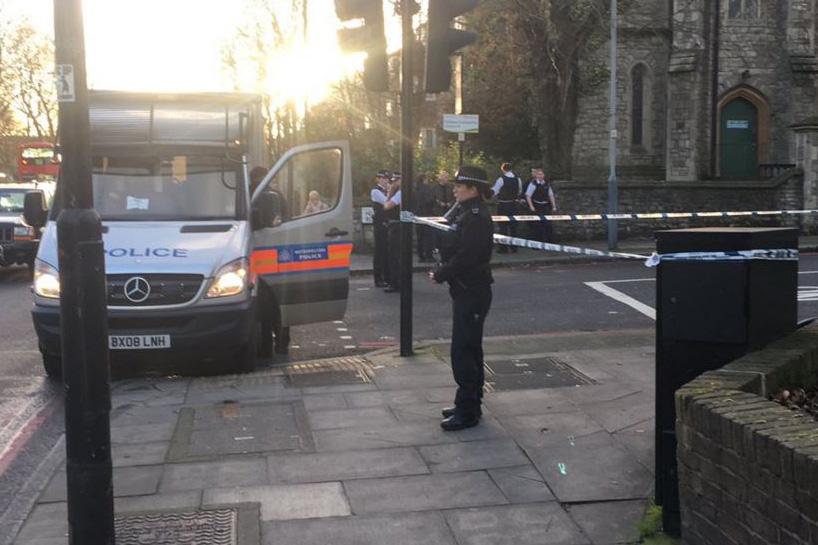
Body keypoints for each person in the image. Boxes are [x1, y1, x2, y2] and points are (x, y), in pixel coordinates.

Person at [429, 165, 494, 431]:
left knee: (463, 351)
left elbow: (468, 255)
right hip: (468, 289)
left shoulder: (476, 217)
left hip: (472, 290)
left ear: (473, 189)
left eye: (460, 185)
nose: (454, 188)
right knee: (470, 349)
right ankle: (470, 402)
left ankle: (467, 412)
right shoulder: (467, 212)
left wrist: (441, 273)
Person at [249, 165, 290, 358]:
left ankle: (266, 347)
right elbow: (287, 219)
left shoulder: (251, 195)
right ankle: (282, 342)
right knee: (279, 303)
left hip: (256, 255)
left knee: (264, 306)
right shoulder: (277, 195)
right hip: (279, 253)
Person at [491, 162, 523, 253]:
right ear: (511, 169)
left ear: (503, 169)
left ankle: (503, 248)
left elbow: (495, 191)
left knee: (503, 227)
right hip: (514, 205)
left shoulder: (501, 179)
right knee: (514, 227)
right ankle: (514, 248)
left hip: (503, 205)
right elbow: (519, 191)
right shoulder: (518, 179)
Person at [525, 168, 557, 243]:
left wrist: (554, 206)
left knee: (548, 225)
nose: (540, 176)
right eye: (538, 174)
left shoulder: (547, 184)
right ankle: (538, 243)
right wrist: (531, 206)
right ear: (536, 175)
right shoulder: (533, 184)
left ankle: (549, 243)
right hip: (537, 206)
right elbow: (528, 196)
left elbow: (551, 195)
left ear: (544, 175)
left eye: (541, 174)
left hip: (545, 206)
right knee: (537, 225)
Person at [370, 170, 391, 287]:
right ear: (377, 179)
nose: (385, 180)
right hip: (379, 224)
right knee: (379, 251)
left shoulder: (386, 190)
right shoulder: (375, 191)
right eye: (383, 178)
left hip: (387, 223)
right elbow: (387, 202)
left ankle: (387, 276)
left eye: (387, 178)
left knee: (387, 251)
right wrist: (390, 190)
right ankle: (378, 278)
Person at [383, 173, 402, 293]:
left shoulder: (400, 193)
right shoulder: (401, 192)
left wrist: (389, 193)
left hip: (396, 226)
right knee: (396, 256)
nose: (393, 183)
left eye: (395, 181)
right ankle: (397, 281)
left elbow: (387, 206)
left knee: (395, 256)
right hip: (397, 225)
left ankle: (396, 283)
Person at [414, 173, 436, 262]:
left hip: (417, 215)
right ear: (424, 179)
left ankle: (420, 256)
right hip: (427, 214)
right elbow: (430, 200)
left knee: (419, 236)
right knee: (428, 236)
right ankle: (429, 256)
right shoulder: (427, 189)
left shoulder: (414, 189)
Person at [432, 170, 454, 255]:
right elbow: (432, 198)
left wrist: (450, 203)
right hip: (438, 213)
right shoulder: (434, 188)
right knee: (438, 231)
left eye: (447, 177)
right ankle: (437, 248)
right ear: (440, 178)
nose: (446, 179)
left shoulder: (451, 187)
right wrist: (439, 203)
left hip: (449, 213)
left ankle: (447, 248)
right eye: (444, 177)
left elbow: (455, 197)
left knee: (448, 231)